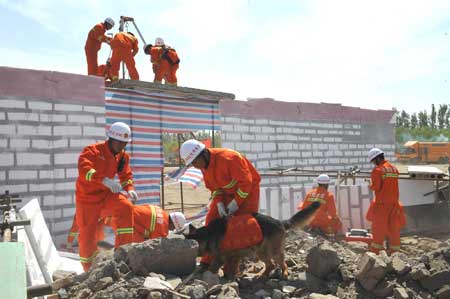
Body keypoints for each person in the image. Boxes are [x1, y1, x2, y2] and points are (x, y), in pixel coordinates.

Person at [179, 139, 261, 268]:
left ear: (204, 153)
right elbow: (215, 189)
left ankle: (232, 265)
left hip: (248, 192)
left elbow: (246, 183)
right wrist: (219, 205)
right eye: (191, 164)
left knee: (239, 225)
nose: (194, 166)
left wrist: (235, 204)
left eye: (194, 162)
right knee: (211, 219)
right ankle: (207, 260)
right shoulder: (204, 165)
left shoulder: (229, 158)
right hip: (227, 193)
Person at [75, 122, 137, 271]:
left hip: (106, 195)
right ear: (111, 139)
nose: (122, 146)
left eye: (125, 143)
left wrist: (129, 188)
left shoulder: (122, 156)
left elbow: (125, 175)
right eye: (120, 143)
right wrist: (103, 180)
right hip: (87, 199)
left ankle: (123, 253)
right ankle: (88, 268)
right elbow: (84, 169)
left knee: (126, 207)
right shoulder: (92, 151)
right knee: (87, 234)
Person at [67, 207, 188, 248]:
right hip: (124, 224)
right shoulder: (162, 227)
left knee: (102, 224)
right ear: (173, 224)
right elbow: (154, 245)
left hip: (120, 215)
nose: (170, 230)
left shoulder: (159, 210)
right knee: (141, 245)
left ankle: (96, 243)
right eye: (172, 228)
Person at [366, 148, 406, 255]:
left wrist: (370, 184)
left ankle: (376, 253)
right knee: (393, 228)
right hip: (394, 204)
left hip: (382, 204)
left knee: (378, 228)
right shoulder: (394, 168)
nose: (374, 164)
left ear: (377, 158)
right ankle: (395, 252)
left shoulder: (377, 170)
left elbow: (376, 187)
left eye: (374, 161)